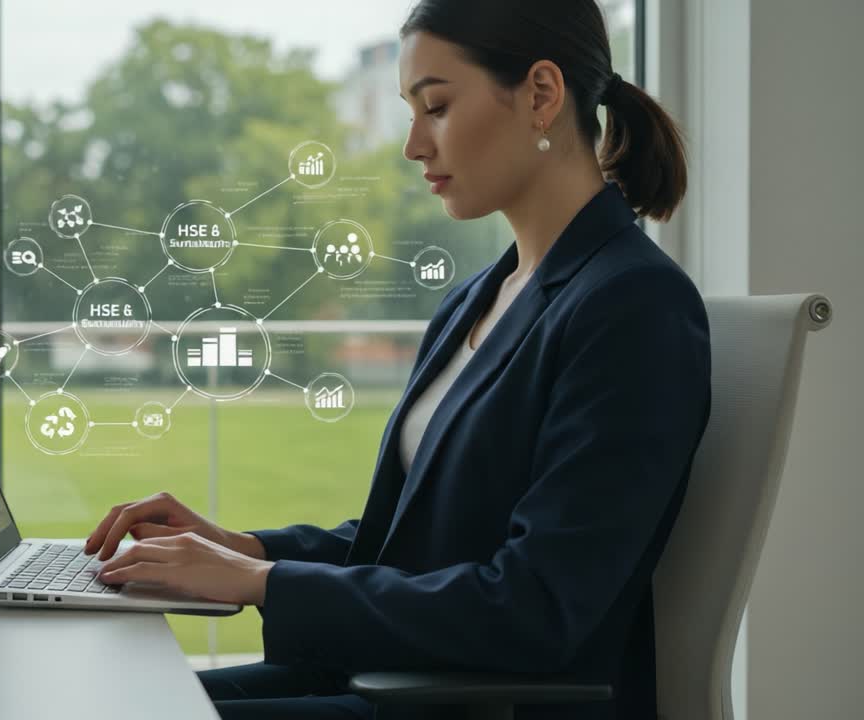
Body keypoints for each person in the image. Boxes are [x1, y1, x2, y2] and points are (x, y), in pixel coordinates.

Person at [83, 0, 711, 717]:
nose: (413, 144)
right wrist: (244, 548)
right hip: (404, 676)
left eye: (436, 107)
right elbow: (414, 544)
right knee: (94, 701)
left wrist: (260, 584)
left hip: (488, 703)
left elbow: (537, 606)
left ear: (542, 94)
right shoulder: (480, 296)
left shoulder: (633, 306)